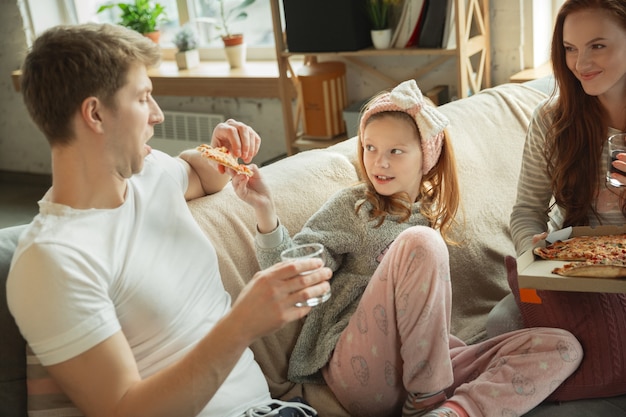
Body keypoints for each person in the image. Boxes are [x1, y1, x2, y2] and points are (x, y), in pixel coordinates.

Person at [6, 23, 331, 417]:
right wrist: (243, 323)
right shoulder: (52, 259)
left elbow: (201, 176)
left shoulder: (148, 171)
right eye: (143, 98)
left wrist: (221, 151)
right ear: (95, 114)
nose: (158, 115)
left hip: (272, 409)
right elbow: (123, 410)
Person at [233, 79, 582, 417]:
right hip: (359, 372)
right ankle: (428, 398)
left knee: (564, 347)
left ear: (426, 157)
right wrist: (265, 211)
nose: (379, 162)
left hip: (421, 369)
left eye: (395, 151)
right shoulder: (354, 207)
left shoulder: (429, 213)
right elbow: (293, 274)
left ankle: (455, 411)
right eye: (370, 148)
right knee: (422, 242)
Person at [507, 0, 626, 401]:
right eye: (570, 48)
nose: (580, 63)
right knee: (499, 323)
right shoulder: (552, 121)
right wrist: (533, 248)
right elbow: (526, 211)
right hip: (575, 268)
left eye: (597, 46)